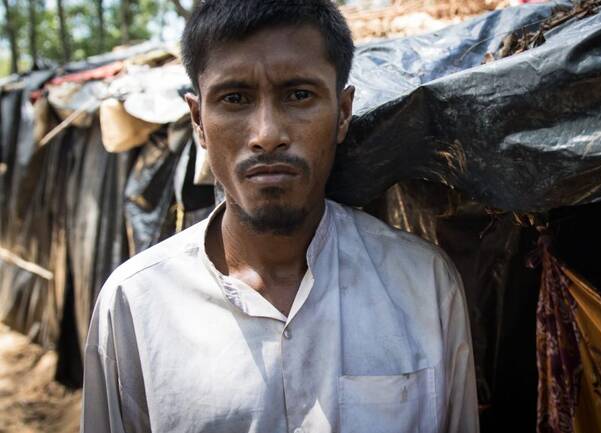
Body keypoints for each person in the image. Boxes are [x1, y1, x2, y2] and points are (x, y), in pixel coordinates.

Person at [81, 1, 479, 432]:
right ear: (198, 121)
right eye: (235, 98)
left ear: (343, 112)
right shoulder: (136, 304)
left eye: (299, 95)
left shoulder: (422, 286)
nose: (267, 134)